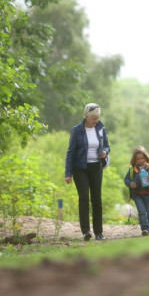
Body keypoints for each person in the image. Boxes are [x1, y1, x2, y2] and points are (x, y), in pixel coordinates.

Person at [65, 103, 110, 241]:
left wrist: (104, 152)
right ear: (86, 117)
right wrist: (68, 173)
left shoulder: (101, 128)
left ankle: (99, 233)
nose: (96, 121)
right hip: (80, 168)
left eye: (97, 118)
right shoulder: (77, 130)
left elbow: (107, 146)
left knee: (97, 200)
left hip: (96, 167)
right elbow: (71, 151)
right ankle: (86, 231)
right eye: (93, 118)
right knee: (84, 199)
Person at [124, 146, 149, 236]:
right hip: (137, 194)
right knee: (142, 211)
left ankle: (147, 227)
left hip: (148, 194)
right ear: (134, 159)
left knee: (147, 212)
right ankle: (145, 228)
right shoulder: (132, 170)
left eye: (142, 158)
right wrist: (130, 183)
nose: (140, 160)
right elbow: (126, 179)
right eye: (138, 159)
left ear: (146, 158)